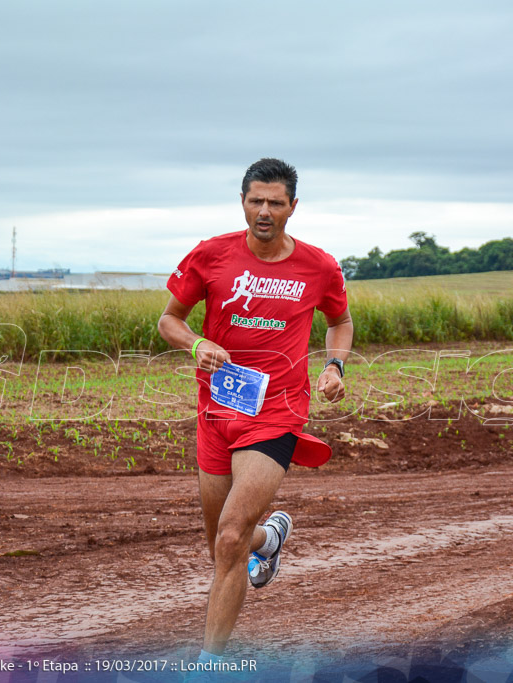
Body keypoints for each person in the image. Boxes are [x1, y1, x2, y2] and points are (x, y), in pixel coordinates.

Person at [158, 158, 353, 664]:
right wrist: (195, 341)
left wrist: (334, 366)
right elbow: (169, 320)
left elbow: (340, 321)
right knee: (223, 545)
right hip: (218, 409)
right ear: (242, 201)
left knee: (228, 534)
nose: (264, 211)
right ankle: (270, 538)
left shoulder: (319, 266)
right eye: (255, 201)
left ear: (293, 206)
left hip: (278, 410)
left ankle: (210, 666)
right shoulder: (210, 254)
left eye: (275, 202)